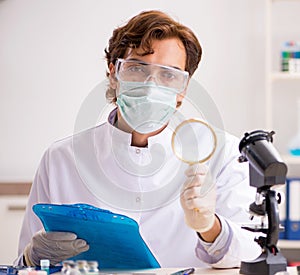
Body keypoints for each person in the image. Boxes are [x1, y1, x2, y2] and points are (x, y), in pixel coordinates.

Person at [15, 10, 261, 268]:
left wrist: (210, 227)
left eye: (169, 75)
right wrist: (33, 256)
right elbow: (22, 266)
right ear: (113, 73)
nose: (151, 86)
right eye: (137, 69)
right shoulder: (62, 159)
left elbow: (248, 256)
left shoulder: (223, 153)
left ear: (183, 89)